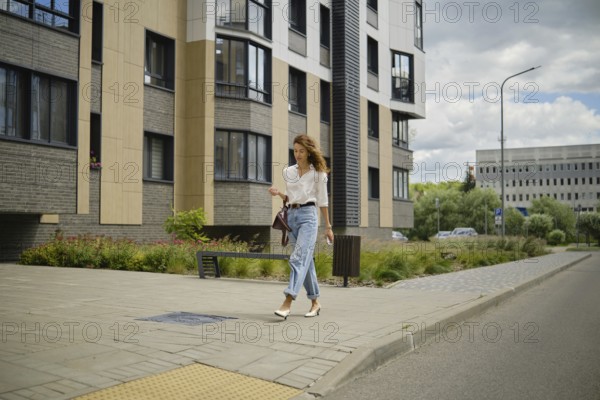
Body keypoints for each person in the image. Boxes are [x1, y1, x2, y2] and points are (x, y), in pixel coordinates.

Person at [268, 134, 334, 319]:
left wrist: (328, 227)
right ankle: (315, 302)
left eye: (301, 151)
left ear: (309, 151)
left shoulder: (318, 174)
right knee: (306, 262)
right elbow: (290, 198)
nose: (297, 154)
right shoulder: (289, 172)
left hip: (308, 218)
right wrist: (279, 193)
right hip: (292, 217)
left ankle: (287, 302)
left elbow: (322, 201)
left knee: (297, 259)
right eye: (295, 151)